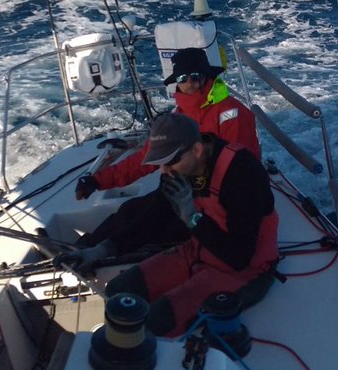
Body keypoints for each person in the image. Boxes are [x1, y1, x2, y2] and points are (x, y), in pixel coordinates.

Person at [66, 48, 260, 268]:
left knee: (162, 227)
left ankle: (112, 256)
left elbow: (243, 172)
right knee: (130, 210)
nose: (190, 83)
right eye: (182, 78)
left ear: (207, 76)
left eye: (195, 76)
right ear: (176, 83)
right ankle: (82, 248)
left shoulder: (232, 113)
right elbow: (145, 158)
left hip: (213, 200)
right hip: (180, 189)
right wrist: (98, 180)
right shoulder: (179, 116)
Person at [102, 113, 279, 337]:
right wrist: (104, 248)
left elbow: (239, 258)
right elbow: (153, 220)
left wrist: (193, 218)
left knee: (155, 322)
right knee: (117, 291)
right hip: (197, 253)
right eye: (160, 162)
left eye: (170, 161)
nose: (164, 171)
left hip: (244, 271)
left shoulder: (242, 172)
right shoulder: (178, 170)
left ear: (196, 150)